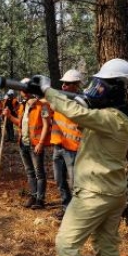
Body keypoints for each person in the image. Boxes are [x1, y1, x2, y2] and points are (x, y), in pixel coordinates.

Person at [27, 58, 128, 256]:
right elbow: (76, 104)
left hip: (95, 194)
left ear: (113, 89)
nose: (95, 90)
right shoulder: (115, 116)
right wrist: (42, 91)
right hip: (113, 193)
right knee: (106, 245)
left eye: (101, 85)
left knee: (66, 245)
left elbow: (76, 112)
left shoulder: (112, 119)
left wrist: (46, 89)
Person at [3, 78, 51, 209]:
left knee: (39, 173)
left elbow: (47, 125)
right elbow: (20, 123)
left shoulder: (42, 104)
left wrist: (41, 143)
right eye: (22, 89)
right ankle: (33, 195)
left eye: (26, 88)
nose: (23, 91)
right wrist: (8, 116)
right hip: (23, 144)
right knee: (30, 172)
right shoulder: (22, 106)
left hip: (35, 144)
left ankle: (40, 200)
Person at [50, 69, 83, 220]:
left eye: (67, 84)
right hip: (58, 146)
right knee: (59, 180)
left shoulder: (82, 103)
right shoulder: (59, 100)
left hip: (73, 149)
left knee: (74, 183)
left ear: (76, 85)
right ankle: (66, 207)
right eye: (63, 83)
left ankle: (78, 213)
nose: (63, 86)